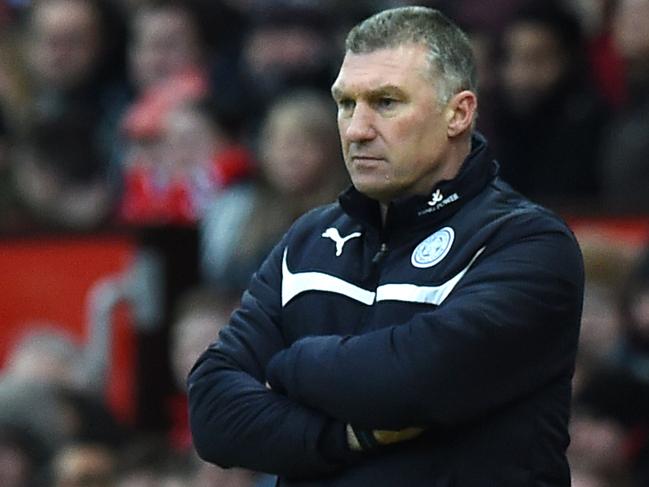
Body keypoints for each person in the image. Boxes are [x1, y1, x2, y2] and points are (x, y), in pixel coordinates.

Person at [188, 6, 584, 486]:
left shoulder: (527, 243)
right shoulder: (308, 240)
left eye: (387, 102)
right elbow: (211, 410)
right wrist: (346, 437)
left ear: (458, 113)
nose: (356, 129)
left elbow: (412, 381)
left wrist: (288, 365)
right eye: (345, 103)